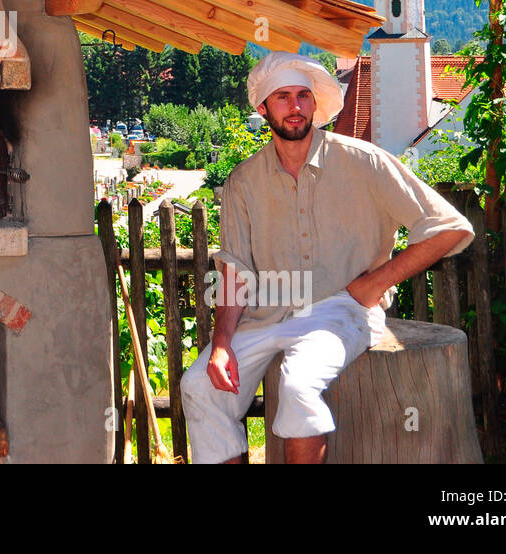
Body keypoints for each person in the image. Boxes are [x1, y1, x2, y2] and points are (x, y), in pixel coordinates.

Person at [180, 51, 474, 464]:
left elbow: (450, 227)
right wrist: (223, 342)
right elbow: (235, 271)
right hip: (266, 314)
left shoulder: (365, 162)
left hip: (342, 309)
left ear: (315, 104)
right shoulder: (243, 181)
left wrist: (374, 284)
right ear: (263, 108)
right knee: (198, 387)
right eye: (282, 97)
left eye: (303, 95)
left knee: (298, 385)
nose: (295, 107)